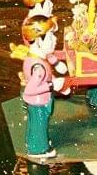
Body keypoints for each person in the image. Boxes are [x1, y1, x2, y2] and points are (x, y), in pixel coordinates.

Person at [20, 15, 67, 160]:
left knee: (35, 124)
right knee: (39, 125)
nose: (54, 39)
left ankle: (32, 142)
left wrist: (59, 86)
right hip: (39, 102)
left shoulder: (36, 58)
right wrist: (52, 85)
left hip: (39, 101)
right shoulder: (38, 67)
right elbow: (29, 91)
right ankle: (39, 149)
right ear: (39, 39)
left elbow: (47, 75)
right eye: (51, 36)